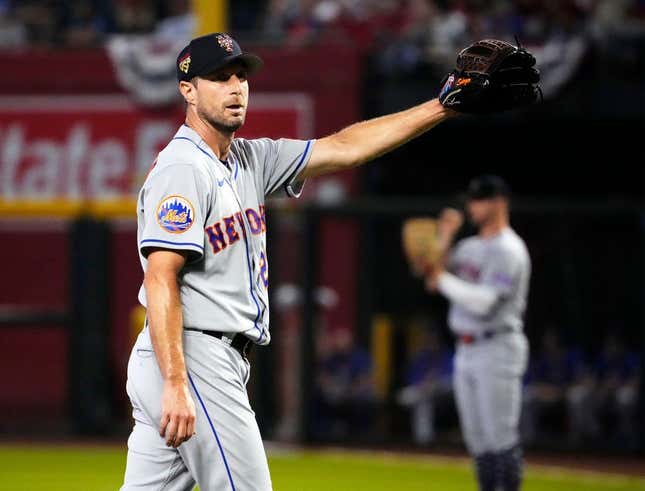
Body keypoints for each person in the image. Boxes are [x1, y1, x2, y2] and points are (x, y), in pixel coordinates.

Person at [120, 32, 456, 490]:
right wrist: (177, 381)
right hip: (192, 355)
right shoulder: (184, 169)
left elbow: (345, 147)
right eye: (220, 78)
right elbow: (161, 278)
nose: (236, 86)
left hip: (201, 358)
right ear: (188, 90)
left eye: (241, 75)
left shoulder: (249, 159)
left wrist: (441, 105)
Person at [423, 176, 531, 491]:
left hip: (498, 345)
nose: (473, 206)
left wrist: (441, 278)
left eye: (479, 200)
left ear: (499, 202)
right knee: (478, 442)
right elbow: (430, 276)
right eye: (472, 200)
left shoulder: (510, 249)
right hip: (467, 349)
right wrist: (443, 236)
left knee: (501, 438)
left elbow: (484, 302)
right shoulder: (468, 247)